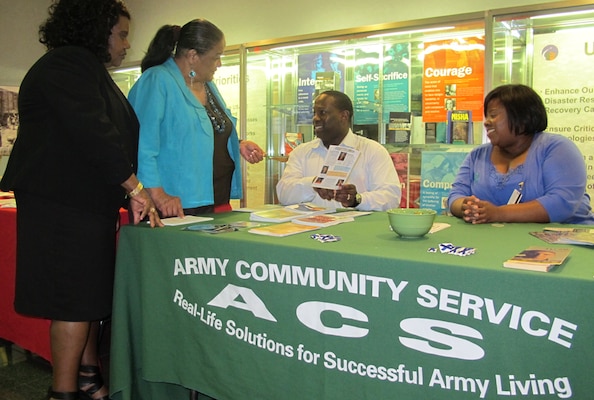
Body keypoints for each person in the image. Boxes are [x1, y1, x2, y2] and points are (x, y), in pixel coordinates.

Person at [0, 1, 163, 399]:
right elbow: (94, 133)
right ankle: (64, 391)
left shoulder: (84, 68)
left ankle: (88, 378)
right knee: (74, 300)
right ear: (98, 30)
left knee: (90, 296)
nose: (127, 44)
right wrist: (135, 188)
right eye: (122, 34)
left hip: (83, 204)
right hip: (64, 204)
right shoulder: (67, 65)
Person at [128, 19, 265, 217]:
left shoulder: (207, 85)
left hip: (212, 198)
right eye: (216, 57)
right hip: (174, 204)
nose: (219, 63)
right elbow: (143, 145)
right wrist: (157, 194)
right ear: (193, 56)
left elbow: (202, 131)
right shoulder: (157, 80)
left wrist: (237, 143)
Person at [448, 84, 594, 224]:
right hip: (497, 240)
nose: (486, 122)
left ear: (522, 118)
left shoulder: (556, 148)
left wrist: (498, 214)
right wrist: (466, 206)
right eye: (486, 116)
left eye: (493, 115)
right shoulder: (477, 155)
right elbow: (455, 196)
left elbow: (561, 203)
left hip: (564, 240)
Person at [276, 90, 401, 211]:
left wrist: (357, 200)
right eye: (314, 113)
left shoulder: (372, 151)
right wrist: (312, 185)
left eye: (322, 112)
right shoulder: (301, 152)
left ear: (343, 116)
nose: (315, 118)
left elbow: (391, 198)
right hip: (311, 229)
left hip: (356, 229)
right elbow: (283, 195)